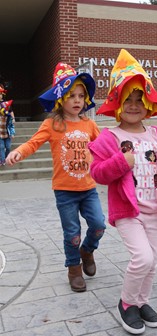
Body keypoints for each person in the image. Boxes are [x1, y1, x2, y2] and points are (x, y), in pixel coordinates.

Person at [88, 49, 157, 334]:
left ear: (148, 103)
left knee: (152, 261)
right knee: (142, 257)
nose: (133, 105)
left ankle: (142, 301)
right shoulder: (110, 137)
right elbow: (97, 174)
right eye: (127, 99)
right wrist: (121, 162)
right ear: (117, 103)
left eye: (139, 99)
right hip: (129, 212)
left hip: (155, 210)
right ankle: (127, 303)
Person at [6, 62, 106, 292]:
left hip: (89, 188)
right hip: (65, 191)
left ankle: (87, 251)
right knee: (72, 233)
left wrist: (121, 153)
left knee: (99, 225)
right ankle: (74, 268)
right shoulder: (52, 123)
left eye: (81, 95)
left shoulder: (90, 124)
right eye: (72, 95)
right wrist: (18, 151)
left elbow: (104, 146)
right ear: (61, 98)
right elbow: (33, 143)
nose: (78, 100)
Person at [0, 84, 15, 166]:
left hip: (7, 131)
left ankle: (5, 158)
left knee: (8, 147)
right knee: (1, 147)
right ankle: (2, 160)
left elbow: (11, 111)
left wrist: (13, 118)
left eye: (0, 94)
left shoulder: (6, 104)